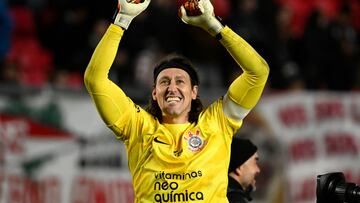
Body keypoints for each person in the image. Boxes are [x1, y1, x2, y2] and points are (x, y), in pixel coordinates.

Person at [84, 0, 269, 202]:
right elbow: (95, 79)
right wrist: (122, 20)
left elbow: (258, 73)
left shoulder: (217, 124)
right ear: (155, 93)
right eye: (164, 82)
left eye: (180, 81)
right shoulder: (137, 127)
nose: (172, 88)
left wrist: (214, 25)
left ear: (193, 92)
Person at [227, 138, 260, 203]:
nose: (258, 170)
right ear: (239, 168)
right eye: (255, 162)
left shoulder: (215, 194)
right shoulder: (235, 200)